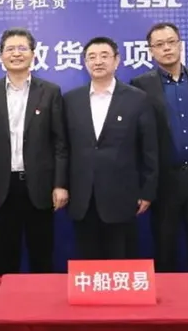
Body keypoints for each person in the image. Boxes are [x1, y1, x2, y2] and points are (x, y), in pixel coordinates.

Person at [0, 28, 68, 274]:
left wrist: (60, 184)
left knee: (42, 255)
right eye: (10, 49)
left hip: (40, 186)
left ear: (33, 54)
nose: (16, 54)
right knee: (6, 256)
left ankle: (42, 299)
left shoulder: (50, 91)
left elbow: (60, 143)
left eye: (22, 48)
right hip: (3, 187)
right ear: (1, 56)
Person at [63, 36, 158, 260]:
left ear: (117, 60)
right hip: (82, 197)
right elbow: (63, 148)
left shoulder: (138, 99)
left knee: (121, 262)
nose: (98, 61)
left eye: (104, 56)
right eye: (92, 57)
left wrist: (147, 191)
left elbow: (149, 149)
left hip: (122, 197)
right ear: (85, 63)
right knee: (87, 264)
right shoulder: (70, 100)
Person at [131, 22, 188, 272]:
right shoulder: (141, 84)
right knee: (165, 246)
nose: (166, 48)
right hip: (164, 180)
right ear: (150, 51)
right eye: (159, 44)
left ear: (180, 44)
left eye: (171, 42)